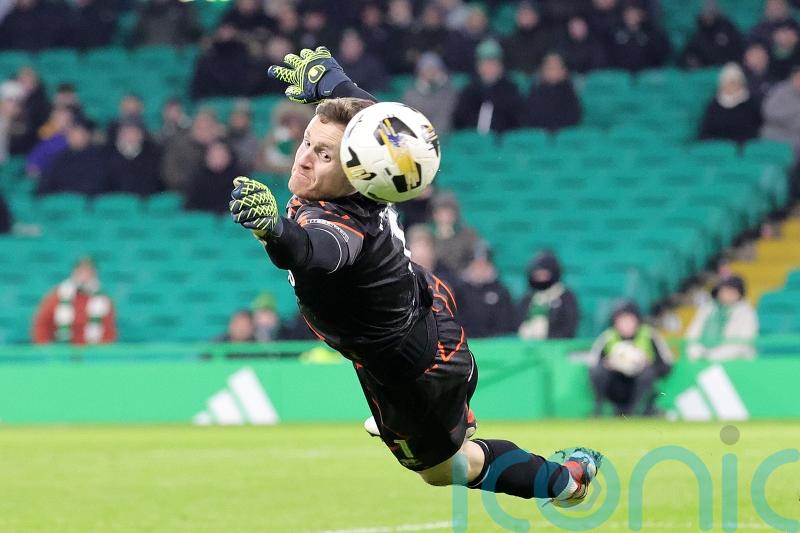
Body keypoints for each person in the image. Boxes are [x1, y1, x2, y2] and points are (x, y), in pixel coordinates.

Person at [231, 45, 602, 505]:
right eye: (307, 141)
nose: (303, 158)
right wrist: (334, 81)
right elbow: (373, 123)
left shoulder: (344, 227)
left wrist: (274, 230)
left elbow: (312, 251)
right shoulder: (371, 172)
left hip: (410, 370)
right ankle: (450, 418)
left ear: (355, 172)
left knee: (446, 470)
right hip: (419, 309)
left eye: (323, 155)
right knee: (442, 445)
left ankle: (567, 481)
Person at [588, 300, 673, 416]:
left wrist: (648, 363)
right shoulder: (608, 337)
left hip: (641, 386)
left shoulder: (649, 335)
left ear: (637, 320)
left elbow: (666, 366)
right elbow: (592, 365)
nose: (625, 324)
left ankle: (639, 410)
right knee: (598, 372)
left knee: (647, 374)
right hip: (616, 385)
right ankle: (599, 409)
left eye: (629, 320)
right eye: (621, 320)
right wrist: (608, 364)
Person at [32, 257, 117, 345]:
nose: (84, 276)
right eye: (81, 271)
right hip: (61, 352)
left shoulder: (103, 301)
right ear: (74, 272)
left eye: (88, 272)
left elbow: (108, 331)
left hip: (92, 353)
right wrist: (46, 349)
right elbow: (41, 324)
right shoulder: (57, 296)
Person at [452, 38, 525, 133]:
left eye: (493, 63)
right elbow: (460, 119)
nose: (489, 67)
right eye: (485, 63)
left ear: (501, 66)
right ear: (478, 66)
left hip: (501, 141)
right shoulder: (470, 91)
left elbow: (515, 120)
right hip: (472, 141)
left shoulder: (510, 90)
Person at [686, 276, 759, 361]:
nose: (727, 294)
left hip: (737, 362)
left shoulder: (747, 313)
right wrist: (696, 353)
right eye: (724, 290)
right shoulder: (707, 308)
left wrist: (713, 356)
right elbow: (692, 334)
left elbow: (742, 343)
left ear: (740, 294)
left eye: (732, 291)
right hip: (701, 359)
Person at [37, 115, 111, 197]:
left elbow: (95, 186)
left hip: (83, 203)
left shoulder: (101, 158)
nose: (73, 136)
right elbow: (45, 185)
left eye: (80, 132)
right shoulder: (60, 158)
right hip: (59, 202)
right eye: (71, 132)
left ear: (89, 135)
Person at [453, 243, 517, 338]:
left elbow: (507, 323)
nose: (480, 270)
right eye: (477, 265)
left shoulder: (501, 291)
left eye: (484, 265)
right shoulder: (460, 291)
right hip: (466, 343)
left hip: (494, 345)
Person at [518, 250, 580, 340]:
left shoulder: (566, 297)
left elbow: (569, 329)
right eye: (537, 275)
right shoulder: (528, 298)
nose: (541, 278)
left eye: (544, 274)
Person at [698, 62, 762, 144]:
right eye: (728, 83)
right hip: (717, 145)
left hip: (741, 146)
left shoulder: (749, 103)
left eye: (734, 82)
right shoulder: (714, 104)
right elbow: (707, 129)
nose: (731, 86)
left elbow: (754, 128)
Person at [190, 23, 257, 100]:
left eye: (229, 29)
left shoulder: (245, 56)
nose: (226, 32)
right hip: (212, 99)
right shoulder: (207, 59)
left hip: (240, 98)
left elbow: (250, 83)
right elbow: (198, 86)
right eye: (223, 28)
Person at [161, 109, 221, 191]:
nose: (204, 132)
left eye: (208, 127)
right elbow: (171, 175)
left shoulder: (222, 146)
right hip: (188, 191)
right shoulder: (179, 146)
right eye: (200, 128)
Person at [401, 52, 458, 135]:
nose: (430, 72)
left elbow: (444, 118)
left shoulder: (448, 93)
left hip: (441, 137)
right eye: (426, 68)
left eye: (434, 68)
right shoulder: (410, 94)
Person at [606, 0, 670, 72]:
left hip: (647, 74)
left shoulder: (653, 34)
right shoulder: (613, 32)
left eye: (635, 12)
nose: (632, 16)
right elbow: (609, 57)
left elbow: (660, 56)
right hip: (620, 74)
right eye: (629, 12)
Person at [524, 52, 582, 132]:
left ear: (564, 71)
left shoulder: (570, 93)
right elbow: (531, 117)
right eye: (550, 68)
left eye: (557, 67)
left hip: (564, 135)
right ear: (542, 71)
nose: (553, 72)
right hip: (540, 134)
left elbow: (574, 117)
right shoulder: (535, 93)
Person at [106, 118, 163, 196]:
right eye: (126, 132)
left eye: (134, 132)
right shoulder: (107, 155)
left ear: (141, 135)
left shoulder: (153, 156)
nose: (130, 136)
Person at [680, 0, 744, 69]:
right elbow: (688, 53)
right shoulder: (698, 32)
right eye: (705, 13)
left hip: (727, 67)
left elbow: (738, 47)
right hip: (705, 69)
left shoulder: (727, 27)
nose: (707, 16)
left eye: (710, 13)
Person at [256, 101, 315, 175]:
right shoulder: (274, 136)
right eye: (289, 123)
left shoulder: (308, 143)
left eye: (297, 123)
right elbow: (260, 161)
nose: (293, 127)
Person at [185, 141, 243, 213]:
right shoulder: (197, 180)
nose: (218, 159)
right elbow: (191, 206)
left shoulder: (239, 180)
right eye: (213, 156)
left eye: (221, 156)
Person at [429, 191, 480, 275]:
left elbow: (477, 255)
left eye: (449, 213)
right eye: (441, 213)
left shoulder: (468, 235)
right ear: (434, 215)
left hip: (461, 279)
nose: (445, 217)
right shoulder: (426, 235)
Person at [502, 1, 553, 74]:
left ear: (536, 16)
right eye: (522, 13)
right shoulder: (509, 40)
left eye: (528, 13)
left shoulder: (546, 39)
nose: (525, 17)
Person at [760, 65, 800, 154]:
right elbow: (769, 112)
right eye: (797, 77)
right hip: (776, 134)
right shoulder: (780, 90)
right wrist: (795, 112)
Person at [128, 0, 202, 47]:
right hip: (148, 55)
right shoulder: (145, 10)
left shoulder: (183, 8)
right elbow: (135, 35)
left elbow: (194, 33)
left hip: (175, 57)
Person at [226, 101, 260, 172]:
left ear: (248, 120)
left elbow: (246, 163)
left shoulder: (252, 140)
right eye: (235, 117)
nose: (237, 120)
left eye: (241, 117)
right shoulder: (223, 135)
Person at [742, 42, 775, 106]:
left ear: (767, 56)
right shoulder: (740, 78)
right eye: (752, 55)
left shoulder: (777, 76)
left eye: (759, 55)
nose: (757, 59)